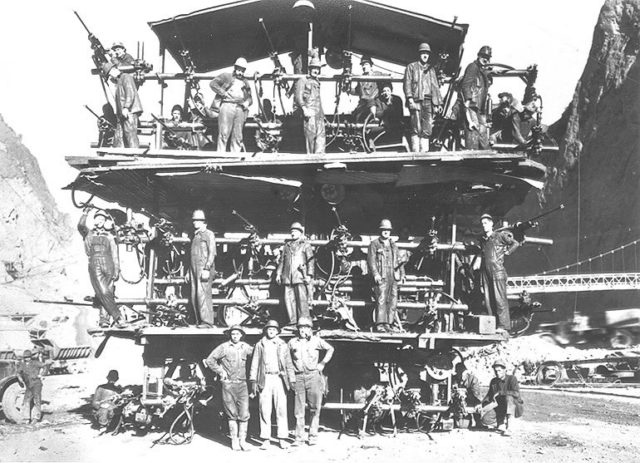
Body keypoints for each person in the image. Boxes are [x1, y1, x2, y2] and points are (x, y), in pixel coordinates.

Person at [205, 326, 253, 451]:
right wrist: (220, 371)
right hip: (228, 384)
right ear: (230, 335)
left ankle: (243, 441)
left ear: (241, 335)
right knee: (231, 413)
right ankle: (234, 441)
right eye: (233, 334)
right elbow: (210, 360)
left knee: (244, 413)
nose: (235, 336)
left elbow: (257, 357)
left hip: (242, 384)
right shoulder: (224, 347)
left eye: (237, 334)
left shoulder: (246, 347)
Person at [249, 320, 296, 449]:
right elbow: (254, 364)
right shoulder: (260, 345)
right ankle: (265, 439)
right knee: (264, 409)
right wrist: (253, 380)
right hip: (265, 379)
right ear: (266, 331)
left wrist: (291, 380)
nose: (271, 331)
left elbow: (289, 364)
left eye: (274, 330)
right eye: (269, 329)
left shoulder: (283, 345)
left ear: (277, 331)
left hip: (279, 379)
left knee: (281, 409)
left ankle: (282, 438)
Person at [288, 317, 334, 446]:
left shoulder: (316, 341)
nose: (303, 330)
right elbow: (288, 360)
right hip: (298, 377)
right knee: (299, 410)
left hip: (313, 376)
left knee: (315, 408)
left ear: (310, 329)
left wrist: (323, 363)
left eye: (305, 327)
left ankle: (313, 436)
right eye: (300, 327)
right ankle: (299, 438)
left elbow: (330, 349)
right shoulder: (292, 342)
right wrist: (291, 376)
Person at [78, 209, 123, 328]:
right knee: (102, 290)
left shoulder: (109, 236)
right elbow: (80, 226)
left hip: (109, 263)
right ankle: (118, 316)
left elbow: (114, 254)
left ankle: (104, 319)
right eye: (98, 218)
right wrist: (85, 213)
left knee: (108, 291)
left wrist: (116, 269)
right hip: (95, 262)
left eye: (103, 219)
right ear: (94, 220)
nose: (101, 221)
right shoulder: (88, 233)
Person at [478, 213, 519, 333]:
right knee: (488, 299)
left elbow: (515, 243)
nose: (484, 226)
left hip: (497, 271)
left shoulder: (500, 236)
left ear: (491, 224)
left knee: (499, 299)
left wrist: (508, 252)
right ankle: (492, 325)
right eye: (482, 224)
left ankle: (503, 326)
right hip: (486, 272)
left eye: (486, 223)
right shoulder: (484, 239)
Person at [403, 42, 443, 152]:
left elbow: (435, 87)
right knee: (416, 127)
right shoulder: (411, 67)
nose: (425, 55)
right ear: (419, 54)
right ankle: (415, 152)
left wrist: (438, 104)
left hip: (429, 102)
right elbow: (407, 84)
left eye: (427, 53)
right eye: (423, 53)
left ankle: (424, 153)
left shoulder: (431, 69)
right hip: (416, 100)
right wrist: (410, 99)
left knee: (427, 128)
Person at [367, 219, 404, 332]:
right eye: (384, 230)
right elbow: (371, 261)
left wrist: (402, 275)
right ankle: (380, 324)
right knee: (381, 299)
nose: (386, 232)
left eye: (388, 230)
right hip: (381, 276)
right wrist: (375, 274)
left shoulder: (394, 245)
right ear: (380, 230)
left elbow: (399, 261)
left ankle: (389, 323)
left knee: (393, 300)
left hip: (393, 275)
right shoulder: (374, 244)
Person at [210, 57, 253, 152]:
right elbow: (213, 84)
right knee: (224, 133)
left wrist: (247, 103)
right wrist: (222, 92)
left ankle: (235, 158)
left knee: (238, 135)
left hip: (240, 108)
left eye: (242, 70)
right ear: (235, 68)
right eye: (239, 69)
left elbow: (250, 98)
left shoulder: (245, 82)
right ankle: (220, 157)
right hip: (227, 105)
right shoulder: (226, 76)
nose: (240, 72)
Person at [276, 222, 315, 325]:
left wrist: (309, 275)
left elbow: (311, 261)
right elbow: (281, 261)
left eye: (295, 231)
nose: (293, 233)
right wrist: (278, 273)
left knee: (302, 301)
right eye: (292, 231)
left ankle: (304, 322)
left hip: (300, 276)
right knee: (289, 301)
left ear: (300, 233)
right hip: (287, 277)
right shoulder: (286, 246)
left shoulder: (306, 245)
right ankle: (292, 322)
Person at [460, 46, 493, 150]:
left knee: (483, 131)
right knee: (473, 130)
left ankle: (485, 155)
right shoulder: (473, 67)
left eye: (487, 57)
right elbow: (466, 84)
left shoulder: (482, 72)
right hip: (471, 105)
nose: (485, 59)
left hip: (478, 108)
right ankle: (472, 155)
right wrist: (468, 99)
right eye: (483, 56)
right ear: (478, 56)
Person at [104, 63, 143, 148]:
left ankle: (135, 154)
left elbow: (130, 93)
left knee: (130, 133)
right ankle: (120, 154)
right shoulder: (120, 81)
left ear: (114, 69)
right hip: (123, 113)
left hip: (130, 111)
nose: (111, 77)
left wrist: (126, 107)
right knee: (119, 135)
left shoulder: (126, 77)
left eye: (110, 74)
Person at [482, 359, 523, 436]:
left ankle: (510, 426)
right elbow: (489, 395)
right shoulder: (493, 381)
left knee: (509, 397)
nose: (497, 373)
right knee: (485, 419)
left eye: (499, 370)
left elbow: (516, 393)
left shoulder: (512, 379)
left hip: (513, 406)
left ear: (505, 370)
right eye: (495, 371)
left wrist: (501, 393)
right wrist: (481, 405)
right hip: (500, 408)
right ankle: (501, 423)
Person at [189, 209, 216, 325]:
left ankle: (207, 322)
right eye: (194, 220)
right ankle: (198, 320)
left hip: (203, 268)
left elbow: (212, 252)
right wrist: (188, 271)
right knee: (194, 294)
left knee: (203, 294)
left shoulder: (209, 234)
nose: (194, 222)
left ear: (203, 222)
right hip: (193, 268)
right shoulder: (194, 235)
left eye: (197, 220)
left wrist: (207, 268)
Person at [294, 57, 325, 154]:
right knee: (310, 140)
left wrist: (323, 115)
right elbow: (298, 97)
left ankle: (320, 161)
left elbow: (318, 99)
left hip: (319, 115)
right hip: (309, 114)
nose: (316, 70)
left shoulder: (317, 82)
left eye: (317, 68)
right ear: (310, 69)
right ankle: (311, 164)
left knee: (321, 139)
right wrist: (304, 109)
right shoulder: (302, 80)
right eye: (314, 68)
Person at [350, 55, 383, 122]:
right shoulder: (360, 79)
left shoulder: (377, 75)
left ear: (371, 65)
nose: (364, 67)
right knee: (357, 118)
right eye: (362, 65)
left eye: (366, 64)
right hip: (363, 104)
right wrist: (348, 89)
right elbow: (357, 91)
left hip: (376, 102)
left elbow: (386, 83)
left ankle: (374, 118)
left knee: (372, 102)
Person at [16, 350, 46, 423]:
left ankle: (36, 417)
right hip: (28, 385)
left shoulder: (35, 363)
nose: (27, 359)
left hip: (36, 384)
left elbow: (45, 366)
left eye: (28, 357)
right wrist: (20, 378)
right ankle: (26, 418)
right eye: (26, 357)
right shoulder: (22, 365)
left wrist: (42, 374)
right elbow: (18, 372)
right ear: (24, 358)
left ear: (31, 357)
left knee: (37, 400)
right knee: (26, 401)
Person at [453, 362, 483, 427]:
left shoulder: (472, 379)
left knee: (477, 405)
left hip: (470, 399)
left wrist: (477, 403)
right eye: (458, 372)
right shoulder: (453, 379)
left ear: (466, 372)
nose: (460, 375)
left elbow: (476, 393)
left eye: (462, 372)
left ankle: (478, 422)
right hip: (456, 401)